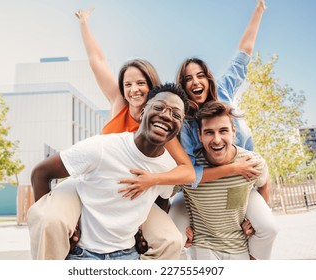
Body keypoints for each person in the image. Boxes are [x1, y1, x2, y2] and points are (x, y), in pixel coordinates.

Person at [27, 8, 195, 260]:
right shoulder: (119, 103)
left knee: (170, 240)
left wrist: (150, 184)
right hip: (91, 181)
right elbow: (97, 61)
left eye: (141, 83)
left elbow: (183, 171)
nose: (133, 89)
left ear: (152, 89)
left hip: (132, 194)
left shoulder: (163, 127)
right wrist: (84, 23)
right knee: (51, 221)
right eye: (128, 84)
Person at [169, 0, 278, 260]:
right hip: (201, 193)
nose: (194, 81)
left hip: (242, 184)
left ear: (208, 78)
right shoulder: (185, 125)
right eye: (187, 79)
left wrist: (259, 9)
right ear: (183, 87)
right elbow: (189, 174)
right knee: (174, 232)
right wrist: (231, 169)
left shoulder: (226, 91)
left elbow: (244, 52)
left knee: (266, 227)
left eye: (199, 75)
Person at [30, 83, 189, 260]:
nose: (167, 116)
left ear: (180, 126)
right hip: (81, 253)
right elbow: (41, 173)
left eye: (176, 114)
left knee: (172, 241)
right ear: (143, 112)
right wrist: (53, 223)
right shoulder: (101, 148)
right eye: (159, 107)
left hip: (128, 255)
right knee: (50, 221)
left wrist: (145, 233)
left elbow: (162, 197)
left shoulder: (168, 168)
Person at [185, 100, 272, 260]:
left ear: (233, 132)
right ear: (200, 135)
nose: (217, 140)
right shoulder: (190, 167)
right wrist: (181, 227)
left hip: (239, 246)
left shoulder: (251, 162)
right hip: (203, 246)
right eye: (209, 132)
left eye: (223, 131)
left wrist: (254, 221)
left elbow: (264, 183)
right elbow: (166, 193)